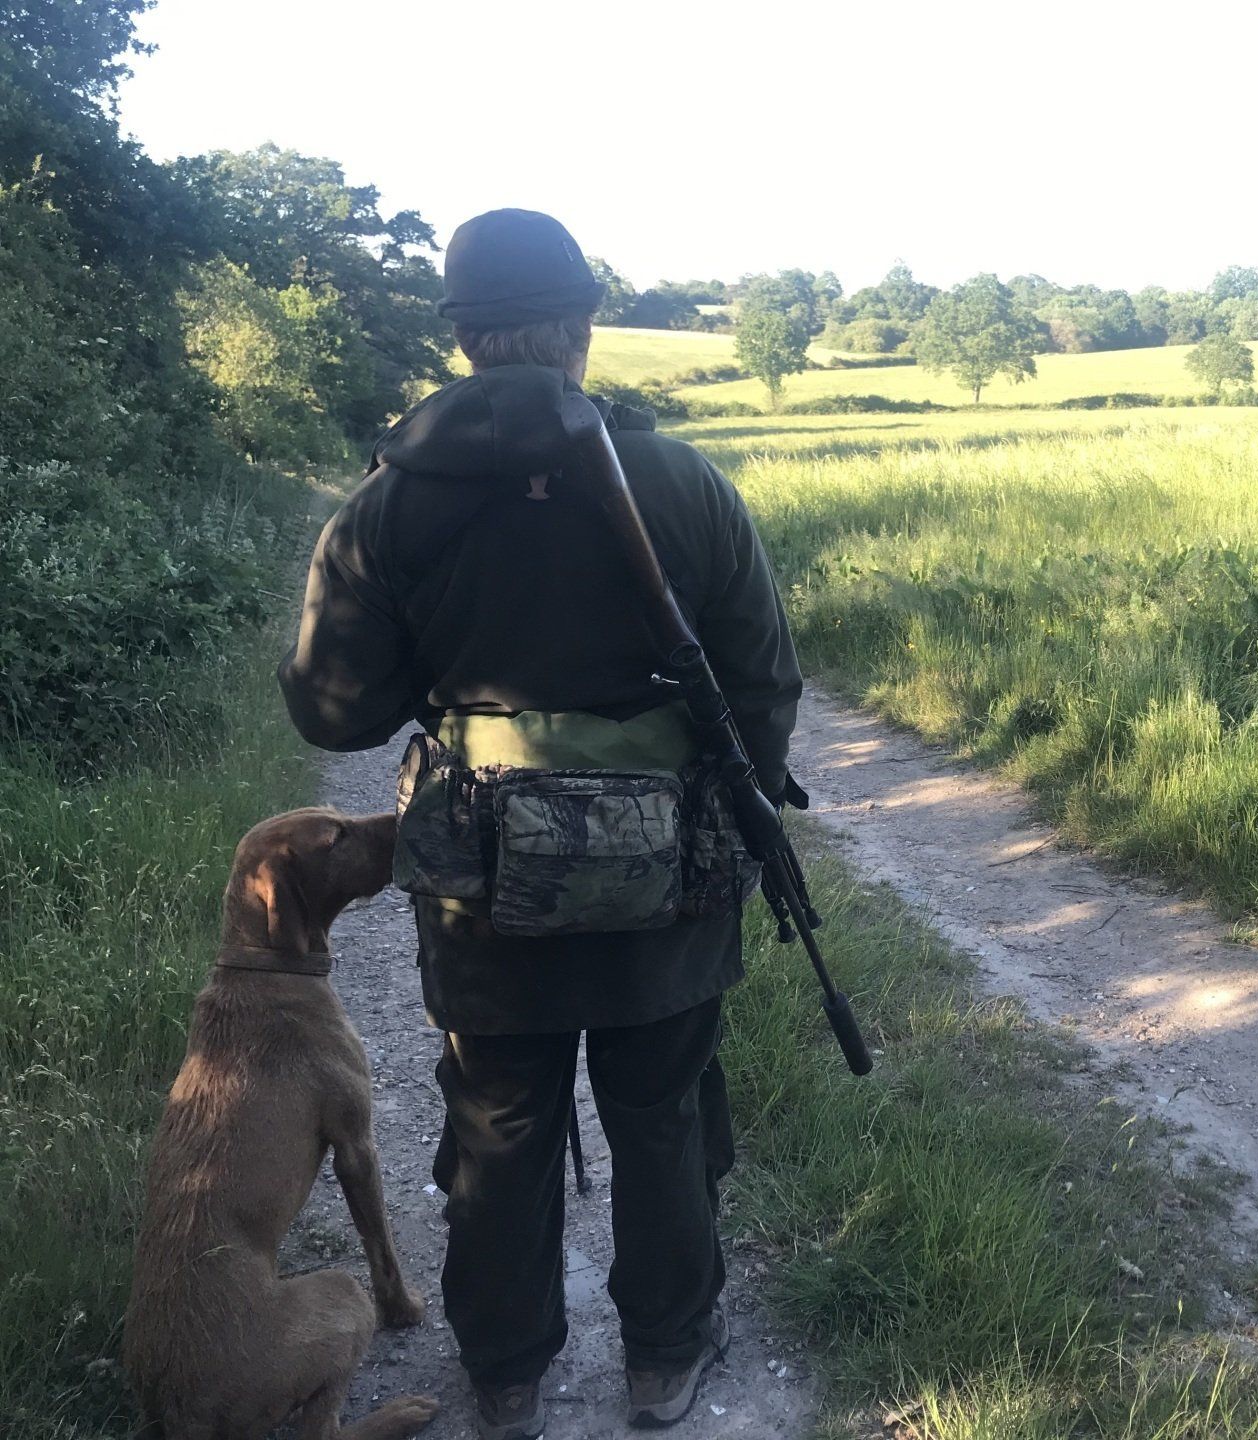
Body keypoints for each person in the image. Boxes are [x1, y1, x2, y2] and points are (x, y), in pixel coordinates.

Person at [278, 208, 802, 1436]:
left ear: (464, 337)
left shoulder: (386, 507)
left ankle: (507, 1375)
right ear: (583, 327)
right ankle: (665, 1359)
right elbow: (764, 684)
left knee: (500, 1119)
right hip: (668, 874)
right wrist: (725, 814)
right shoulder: (684, 483)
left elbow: (332, 712)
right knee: (663, 1109)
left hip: (480, 884)